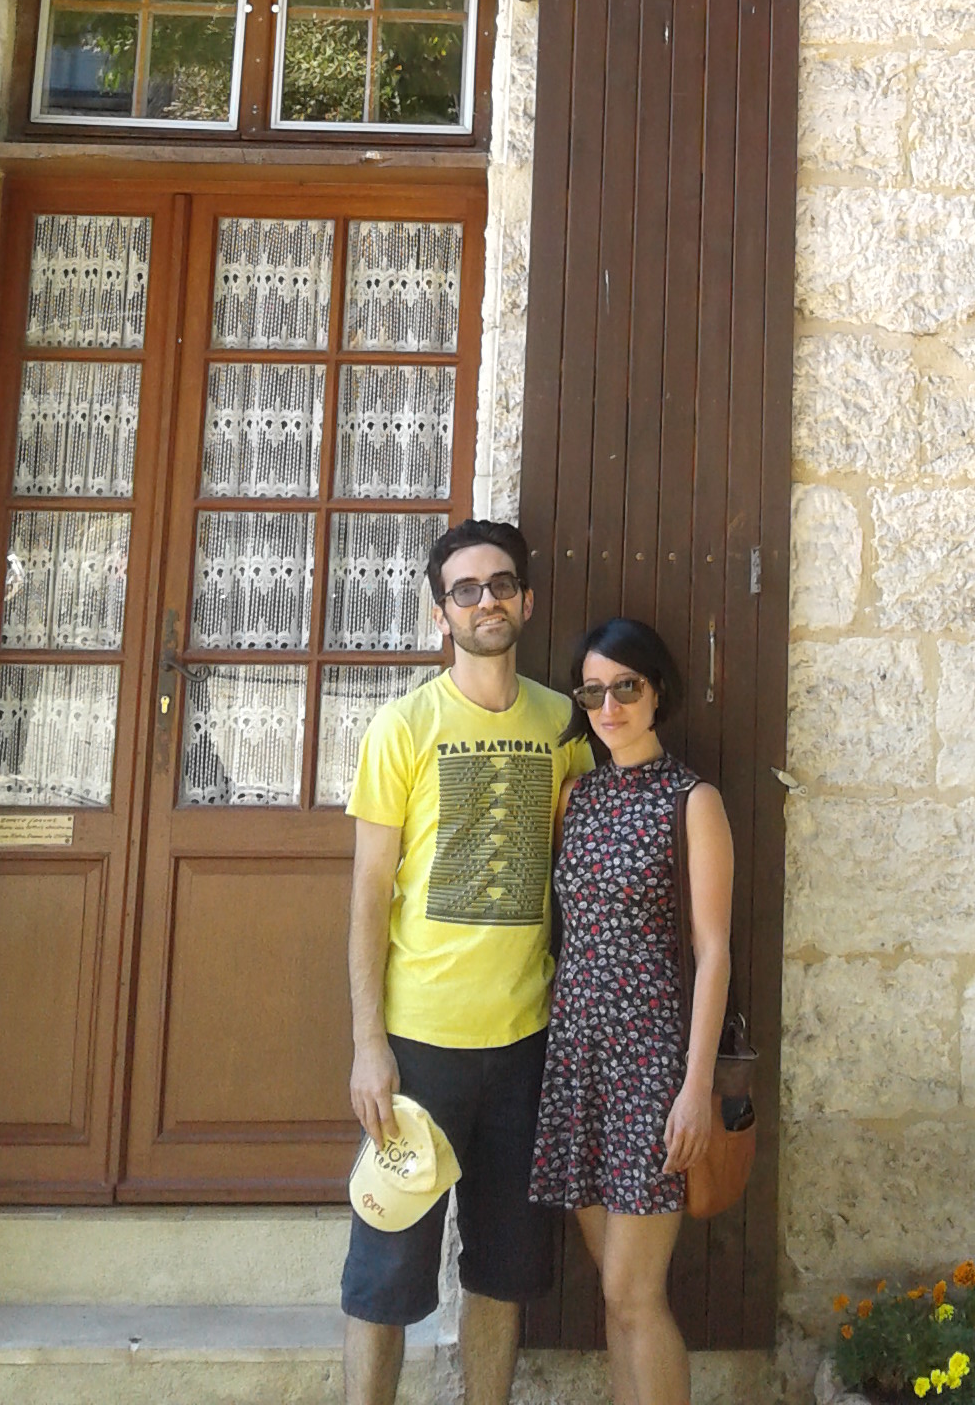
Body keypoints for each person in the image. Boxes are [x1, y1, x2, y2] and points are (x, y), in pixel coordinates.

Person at [341, 518, 591, 1405]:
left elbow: (572, 864)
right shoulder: (403, 726)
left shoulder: (563, 723)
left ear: (527, 600)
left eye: (502, 584)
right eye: (466, 589)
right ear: (439, 611)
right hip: (420, 1048)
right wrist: (368, 1045)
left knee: (505, 1269)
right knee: (385, 1270)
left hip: (526, 1044)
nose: (487, 601)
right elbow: (370, 894)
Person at [529, 619, 734, 1405]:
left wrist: (695, 1086)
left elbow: (713, 951)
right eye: (593, 692)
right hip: (578, 1059)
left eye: (626, 688)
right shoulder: (576, 796)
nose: (608, 707)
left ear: (657, 693)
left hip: (652, 1069)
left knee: (634, 1293)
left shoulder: (693, 800)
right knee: (612, 1297)